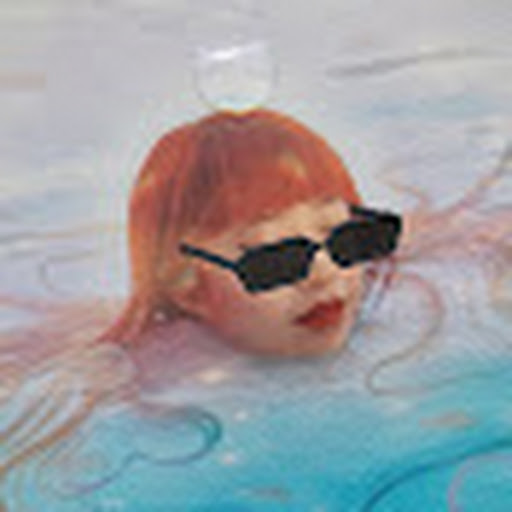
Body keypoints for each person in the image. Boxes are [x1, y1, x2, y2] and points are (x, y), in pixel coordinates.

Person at [0, 108, 509, 505]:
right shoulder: (138, 418)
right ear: (188, 289)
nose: (326, 274)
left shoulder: (420, 306)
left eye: (348, 239)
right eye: (277, 259)